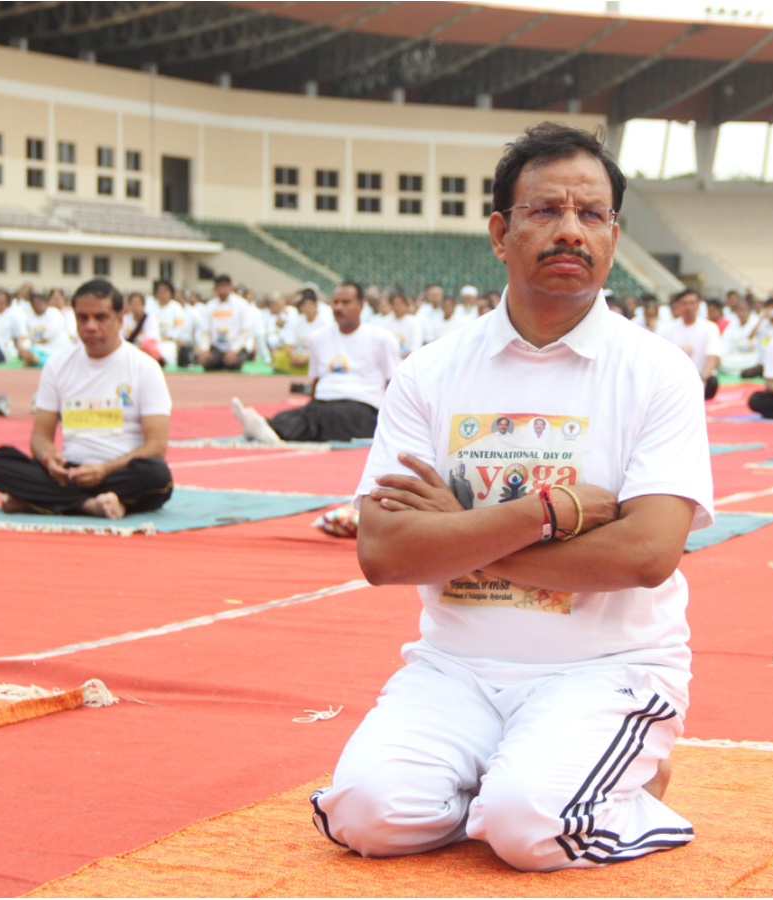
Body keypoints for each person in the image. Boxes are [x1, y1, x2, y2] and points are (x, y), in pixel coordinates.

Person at [310, 122, 713, 871]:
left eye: (591, 214)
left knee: (531, 828)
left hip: (606, 667)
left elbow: (648, 553)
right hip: (455, 667)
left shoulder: (657, 373)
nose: (570, 230)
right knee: (366, 816)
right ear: (499, 232)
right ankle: (520, 772)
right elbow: (383, 552)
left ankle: (632, 783)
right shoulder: (430, 373)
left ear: (614, 235)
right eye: (544, 211)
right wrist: (546, 514)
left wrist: (460, 531)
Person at [0, 279, 173, 519]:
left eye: (100, 318)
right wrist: (51, 461)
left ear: (120, 319)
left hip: (120, 472)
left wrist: (103, 470)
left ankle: (37, 501)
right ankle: (88, 506)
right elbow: (40, 437)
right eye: (83, 318)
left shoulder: (145, 367)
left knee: (158, 475)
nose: (90, 327)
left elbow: (156, 446)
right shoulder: (57, 365)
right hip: (69, 474)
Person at [231, 281, 400, 443]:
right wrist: (311, 404)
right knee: (303, 415)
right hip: (324, 399)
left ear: (361, 305)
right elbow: (316, 379)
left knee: (328, 419)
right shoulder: (318, 337)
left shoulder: (381, 338)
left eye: (346, 302)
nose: (339, 308)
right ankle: (266, 426)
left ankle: (267, 429)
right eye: (336, 302)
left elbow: (392, 382)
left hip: (361, 403)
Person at [660, 288, 722, 399]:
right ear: (678, 306)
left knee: (712, 383)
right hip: (676, 379)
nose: (689, 308)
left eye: (692, 303)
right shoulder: (667, 329)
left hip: (701, 377)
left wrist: (702, 379)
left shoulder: (710, 327)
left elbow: (713, 357)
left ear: (698, 305)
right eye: (684, 304)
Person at [195, 274, 252, 370]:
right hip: (217, 347)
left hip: (236, 346)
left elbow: (245, 331)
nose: (222, 289)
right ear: (215, 288)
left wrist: (233, 350)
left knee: (233, 364)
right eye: (219, 286)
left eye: (225, 286)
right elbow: (205, 331)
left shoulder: (241, 305)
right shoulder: (210, 306)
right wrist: (205, 349)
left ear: (230, 287)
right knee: (208, 364)